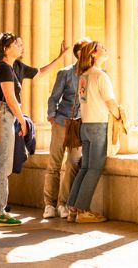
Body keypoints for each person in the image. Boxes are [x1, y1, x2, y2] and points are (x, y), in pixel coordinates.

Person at [0, 31, 69, 227]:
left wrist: (59, 57)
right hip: (4, 115)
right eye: (16, 44)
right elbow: (10, 98)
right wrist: (22, 121)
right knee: (2, 165)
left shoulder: (15, 66)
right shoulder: (3, 68)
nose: (21, 46)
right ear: (5, 49)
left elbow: (40, 72)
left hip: (2, 114)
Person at [66, 40, 122, 224]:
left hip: (86, 126)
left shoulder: (83, 76)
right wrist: (119, 116)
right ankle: (83, 210)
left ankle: (72, 208)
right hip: (98, 126)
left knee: (84, 168)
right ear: (93, 55)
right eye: (101, 48)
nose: (106, 49)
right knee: (94, 169)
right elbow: (110, 102)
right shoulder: (100, 76)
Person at [44, 39, 89, 218]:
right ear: (79, 53)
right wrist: (52, 116)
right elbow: (53, 97)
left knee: (73, 163)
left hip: (79, 125)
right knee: (54, 164)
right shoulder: (65, 73)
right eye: (88, 50)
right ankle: (49, 204)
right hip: (62, 122)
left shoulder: (93, 74)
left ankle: (63, 203)